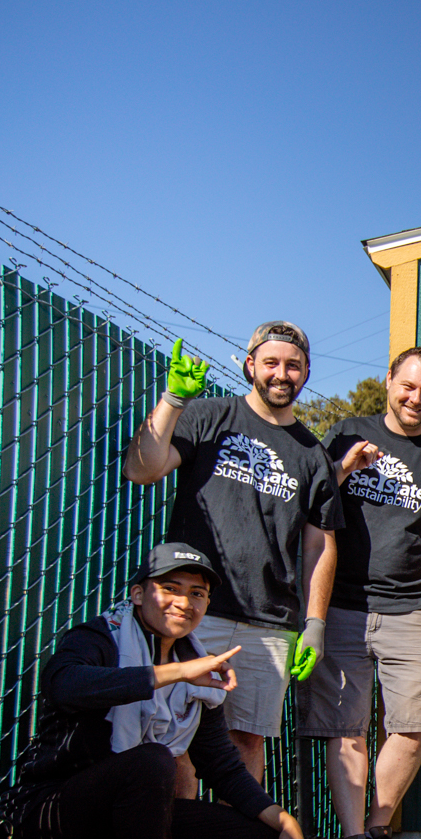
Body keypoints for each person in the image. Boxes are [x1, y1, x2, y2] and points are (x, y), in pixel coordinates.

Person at [0, 544, 306, 839]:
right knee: (152, 761)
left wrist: (281, 817)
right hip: (52, 815)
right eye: (170, 588)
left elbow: (221, 765)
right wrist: (175, 673)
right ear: (139, 594)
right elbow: (65, 684)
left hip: (126, 819)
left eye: (196, 593)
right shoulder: (100, 638)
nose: (184, 602)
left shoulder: (197, 668)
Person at [122, 324, 342, 786]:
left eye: (293, 365)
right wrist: (172, 400)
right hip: (194, 612)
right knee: (172, 738)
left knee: (245, 743)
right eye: (271, 363)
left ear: (305, 373)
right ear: (250, 366)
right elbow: (141, 469)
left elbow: (320, 544)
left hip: (270, 623)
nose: (282, 374)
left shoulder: (312, 455)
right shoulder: (207, 416)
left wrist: (315, 623)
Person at [299, 347, 421, 839]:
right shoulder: (349, 430)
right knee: (345, 726)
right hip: (343, 606)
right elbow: (309, 502)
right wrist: (342, 467)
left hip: (415, 610)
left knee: (413, 725)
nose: (416, 399)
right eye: (408, 386)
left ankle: (379, 829)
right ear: (388, 382)